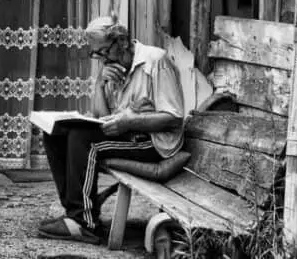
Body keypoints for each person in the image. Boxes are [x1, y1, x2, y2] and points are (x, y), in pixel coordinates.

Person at [38, 15, 186, 244]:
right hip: (128, 136)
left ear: (123, 42)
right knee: (55, 134)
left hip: (154, 142)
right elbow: (102, 118)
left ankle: (83, 222)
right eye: (95, 54)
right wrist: (99, 83)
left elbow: (173, 117)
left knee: (83, 139)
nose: (101, 59)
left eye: (103, 52)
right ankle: (76, 213)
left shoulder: (156, 60)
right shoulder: (114, 68)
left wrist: (131, 121)